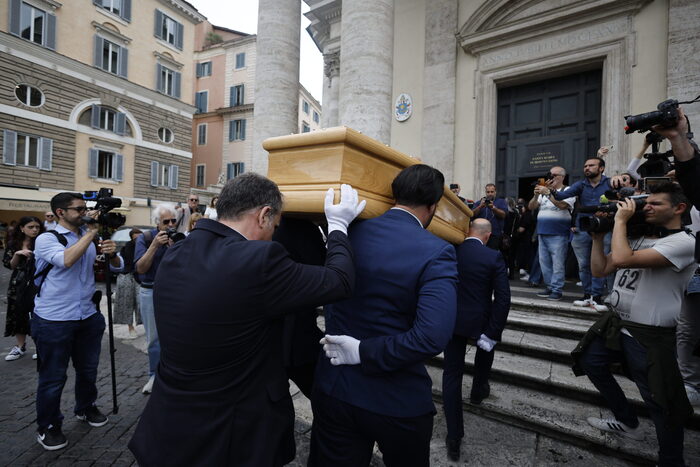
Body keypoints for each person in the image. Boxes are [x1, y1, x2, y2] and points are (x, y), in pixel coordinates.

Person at [128, 174, 364, 467]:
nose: (273, 234)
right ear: (264, 215)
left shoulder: (177, 251)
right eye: (275, 226)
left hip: (169, 424)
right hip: (231, 437)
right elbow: (339, 281)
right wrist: (339, 226)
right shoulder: (258, 260)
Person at [310, 164, 459, 467]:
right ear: (433, 207)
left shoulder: (347, 232)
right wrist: (364, 351)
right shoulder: (437, 251)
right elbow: (431, 336)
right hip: (396, 399)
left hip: (335, 387)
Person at [572, 182, 694, 466]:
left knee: (660, 401)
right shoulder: (639, 238)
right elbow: (600, 269)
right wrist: (596, 237)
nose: (647, 207)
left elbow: (624, 259)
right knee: (590, 362)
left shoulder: (684, 243)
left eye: (656, 204)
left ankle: (672, 460)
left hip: (650, 336)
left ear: (679, 208)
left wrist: (620, 221)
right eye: (646, 203)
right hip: (618, 325)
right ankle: (627, 421)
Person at [32, 192, 122, 450]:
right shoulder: (47, 238)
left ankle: (85, 407)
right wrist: (91, 234)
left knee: (88, 369)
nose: (85, 213)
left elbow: (116, 266)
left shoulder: (87, 236)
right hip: (54, 319)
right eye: (79, 209)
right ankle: (48, 426)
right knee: (53, 377)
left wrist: (113, 254)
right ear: (61, 212)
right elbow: (66, 260)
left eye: (86, 208)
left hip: (87, 314)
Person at [442, 218, 510, 462]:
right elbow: (502, 299)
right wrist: (493, 332)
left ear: (468, 230)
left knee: (451, 376)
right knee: (485, 353)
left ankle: (453, 437)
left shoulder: (450, 251)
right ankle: (479, 390)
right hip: (481, 320)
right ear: (488, 235)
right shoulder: (493, 257)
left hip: (452, 320)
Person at [551, 157, 612, 309]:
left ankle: (597, 296)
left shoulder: (610, 183)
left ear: (601, 168)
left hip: (604, 227)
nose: (587, 168)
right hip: (583, 227)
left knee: (601, 262)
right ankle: (587, 295)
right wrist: (550, 190)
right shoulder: (580, 185)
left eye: (591, 165)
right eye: (585, 166)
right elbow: (561, 196)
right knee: (584, 264)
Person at [134, 204, 178, 394]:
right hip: (150, 290)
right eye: (165, 222)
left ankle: (174, 374)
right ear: (156, 223)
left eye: (173, 221)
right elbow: (141, 268)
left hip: (175, 291)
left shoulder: (178, 238)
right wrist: (155, 245)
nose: (170, 225)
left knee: (176, 336)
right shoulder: (145, 239)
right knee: (154, 338)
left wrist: (175, 247)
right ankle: (154, 375)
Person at [528, 167, 576, 301]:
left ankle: (557, 289)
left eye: (554, 175)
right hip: (542, 232)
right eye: (549, 175)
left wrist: (548, 193)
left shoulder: (568, 190)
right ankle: (549, 286)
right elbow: (531, 207)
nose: (551, 178)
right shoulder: (543, 192)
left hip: (559, 232)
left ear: (562, 177)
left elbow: (562, 206)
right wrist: (537, 194)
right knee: (544, 263)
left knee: (557, 263)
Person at [3, 216, 43, 361]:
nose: (34, 230)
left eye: (37, 227)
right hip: (18, 283)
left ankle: (40, 346)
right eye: (31, 227)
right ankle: (20, 346)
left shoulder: (42, 242)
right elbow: (9, 265)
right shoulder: (14, 243)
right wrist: (17, 254)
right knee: (17, 312)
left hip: (37, 282)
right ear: (22, 228)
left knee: (36, 313)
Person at [114, 228, 143, 338]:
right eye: (136, 238)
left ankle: (146, 324)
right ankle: (130, 327)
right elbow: (129, 261)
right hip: (128, 275)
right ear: (131, 238)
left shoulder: (146, 245)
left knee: (142, 302)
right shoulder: (128, 246)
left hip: (140, 276)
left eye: (140, 237)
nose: (138, 240)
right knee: (127, 302)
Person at [471, 183, 508, 250]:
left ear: (495, 192)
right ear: (485, 192)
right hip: (479, 234)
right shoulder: (479, 202)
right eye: (488, 192)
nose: (490, 194)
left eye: (492, 192)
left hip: (494, 234)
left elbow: (503, 215)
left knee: (491, 254)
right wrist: (480, 207)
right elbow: (472, 214)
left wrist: (493, 208)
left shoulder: (501, 201)